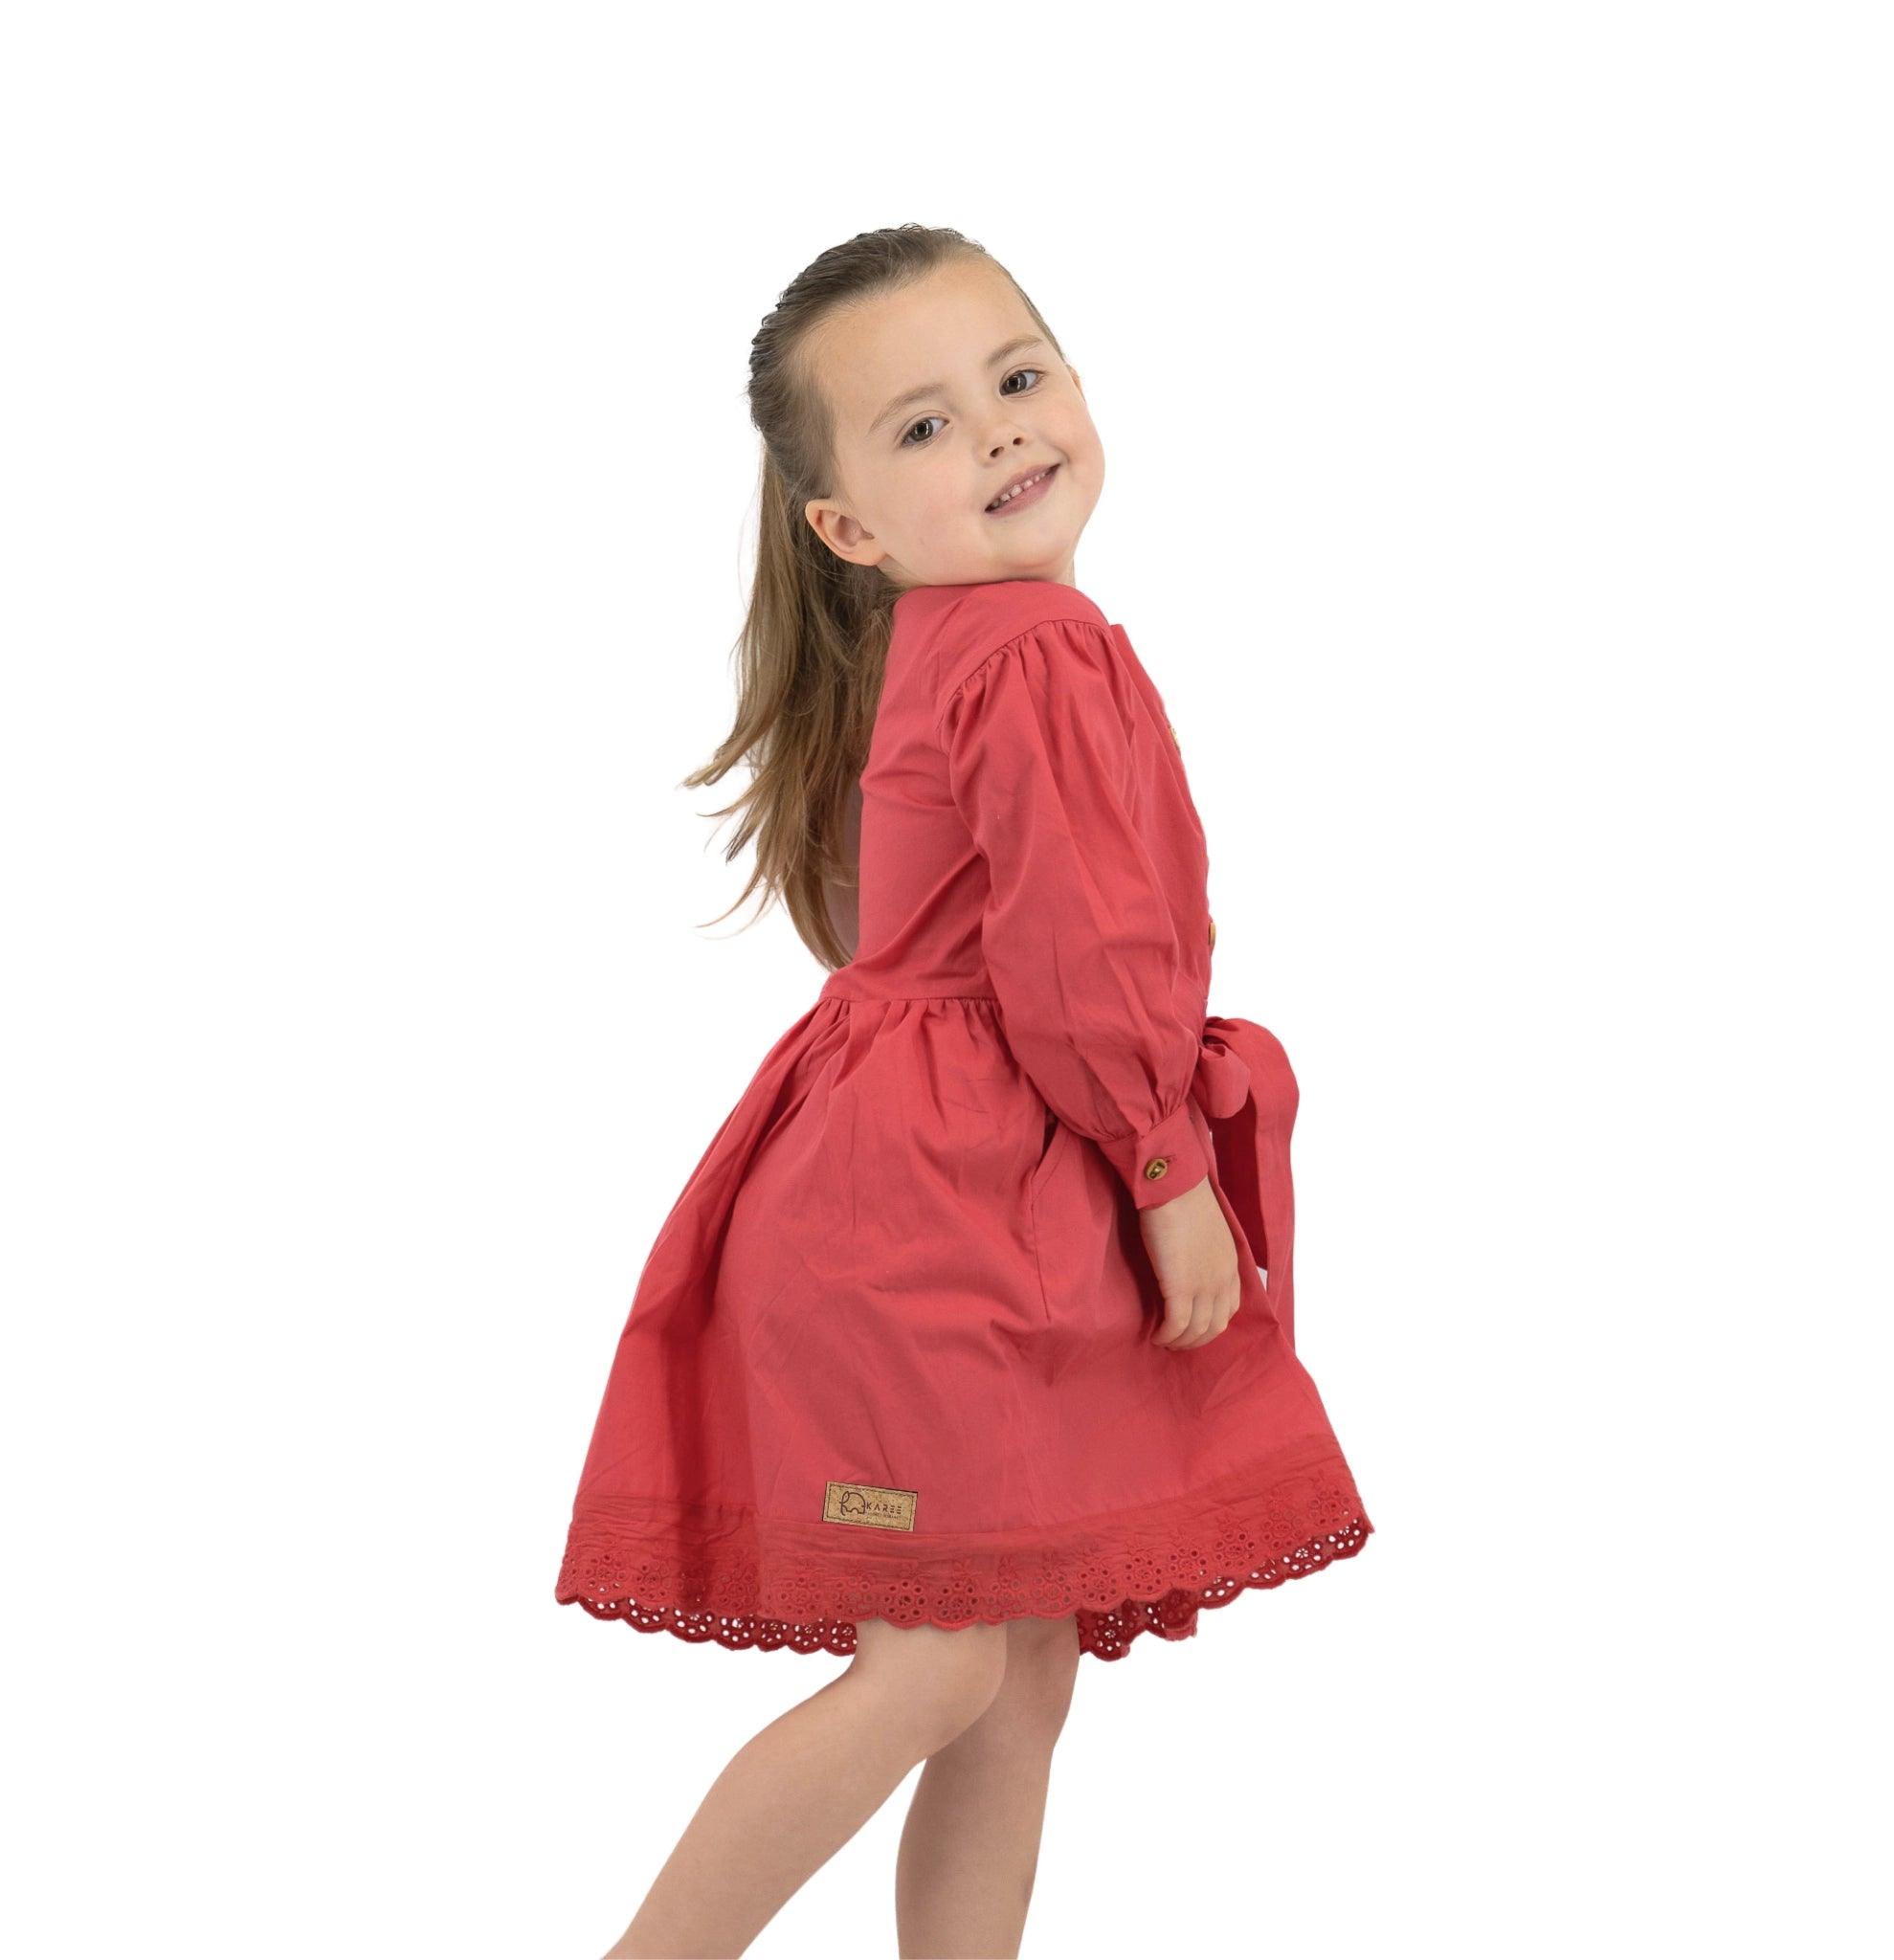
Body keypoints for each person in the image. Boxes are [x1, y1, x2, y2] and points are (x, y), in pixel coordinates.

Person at [554, 223, 1377, 1959]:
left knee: (1014, 1670)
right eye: (922, 427)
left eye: (1018, 378)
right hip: (938, 1218)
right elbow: (1086, 953)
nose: (1000, 432)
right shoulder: (1035, 649)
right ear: (845, 527)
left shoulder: (973, 635)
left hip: (918, 1187)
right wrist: (1167, 1170)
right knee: (936, 1662)